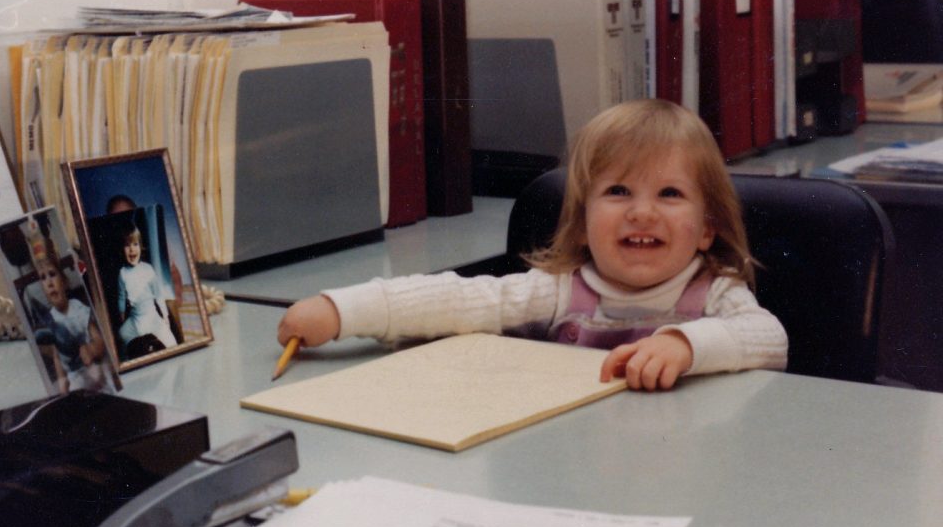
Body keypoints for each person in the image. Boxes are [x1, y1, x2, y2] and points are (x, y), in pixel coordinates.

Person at [278, 99, 788, 391]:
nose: (642, 212)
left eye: (670, 194)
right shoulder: (561, 291)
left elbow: (768, 338)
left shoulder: (714, 294)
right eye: (617, 192)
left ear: (707, 227)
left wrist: (684, 344)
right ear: (583, 218)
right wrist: (342, 309)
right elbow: (460, 300)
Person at [31, 232, 110, 393]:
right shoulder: (51, 318)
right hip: (74, 376)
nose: (49, 283)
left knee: (101, 380)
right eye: (43, 278)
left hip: (91, 366)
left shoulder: (79, 308)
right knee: (75, 393)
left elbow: (99, 341)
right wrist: (62, 382)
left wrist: (91, 349)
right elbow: (56, 355)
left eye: (52, 275)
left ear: (65, 281)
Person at [116, 219, 178, 357]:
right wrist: (122, 316)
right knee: (120, 335)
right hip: (135, 319)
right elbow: (121, 297)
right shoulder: (123, 273)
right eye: (127, 245)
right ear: (122, 249)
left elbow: (158, 295)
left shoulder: (148, 269)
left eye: (135, 244)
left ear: (141, 246)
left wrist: (165, 317)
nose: (132, 249)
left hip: (151, 317)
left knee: (172, 344)